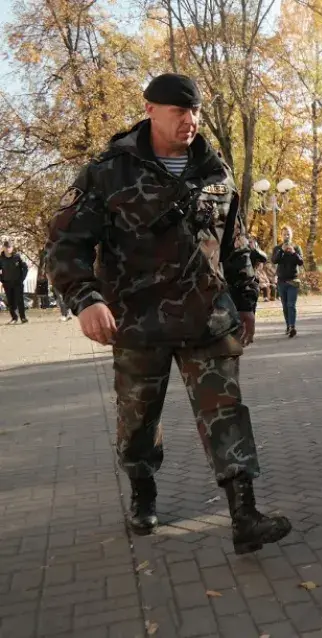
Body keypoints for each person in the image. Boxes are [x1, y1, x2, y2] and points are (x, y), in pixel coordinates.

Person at [45, 73, 291, 554]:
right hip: (137, 323)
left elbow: (236, 244)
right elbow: (65, 241)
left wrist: (244, 302)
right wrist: (86, 298)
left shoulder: (213, 171)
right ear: (150, 109)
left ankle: (245, 514)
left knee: (227, 413)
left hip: (208, 319)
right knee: (138, 420)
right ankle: (142, 487)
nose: (190, 120)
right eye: (179, 111)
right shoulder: (110, 170)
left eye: (195, 111)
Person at [272, 226, 303, 338]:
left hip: (293, 280)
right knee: (285, 306)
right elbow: (274, 260)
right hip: (281, 281)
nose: (286, 236)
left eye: (288, 234)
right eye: (284, 234)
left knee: (291, 305)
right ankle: (288, 326)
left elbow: (300, 262)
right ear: (281, 235)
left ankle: (292, 326)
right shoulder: (277, 248)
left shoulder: (297, 247)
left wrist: (294, 252)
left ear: (291, 235)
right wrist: (282, 251)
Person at [0, 240, 29, 324]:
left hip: (18, 283)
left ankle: (23, 317)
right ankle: (14, 318)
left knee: (20, 300)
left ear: (12, 248)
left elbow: (25, 268)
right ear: (4, 248)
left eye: (10, 247)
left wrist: (22, 278)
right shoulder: (1, 259)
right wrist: (2, 279)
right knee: (10, 301)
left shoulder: (17, 257)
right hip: (7, 283)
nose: (9, 249)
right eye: (7, 247)